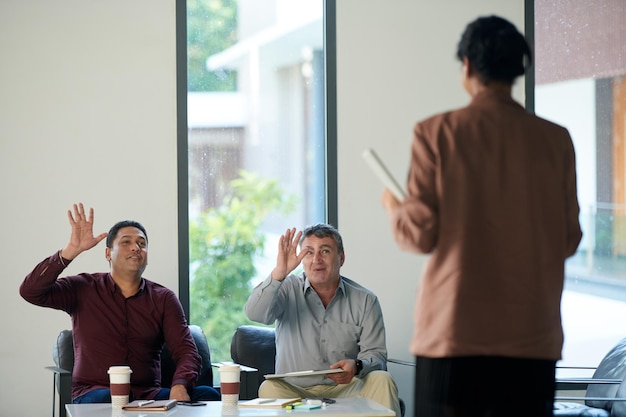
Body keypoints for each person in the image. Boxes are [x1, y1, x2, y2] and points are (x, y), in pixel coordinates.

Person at [382, 15, 583, 417]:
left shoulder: (436, 132)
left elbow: (418, 236)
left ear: (468, 67)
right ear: (517, 70)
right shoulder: (555, 140)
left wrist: (394, 206)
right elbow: (568, 240)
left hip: (454, 335)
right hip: (532, 336)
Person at [20, 203, 220, 404]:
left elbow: (187, 351)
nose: (136, 247)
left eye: (142, 243)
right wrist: (70, 251)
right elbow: (30, 291)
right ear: (108, 253)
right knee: (108, 398)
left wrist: (179, 385)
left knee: (207, 395)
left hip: (148, 396)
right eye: (126, 242)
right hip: (96, 393)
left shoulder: (163, 298)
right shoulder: (83, 288)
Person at [244, 224, 401, 416]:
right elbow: (255, 313)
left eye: (325, 251)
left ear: (341, 258)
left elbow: (376, 355)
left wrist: (357, 365)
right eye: (309, 253)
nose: (316, 260)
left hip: (347, 389)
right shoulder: (286, 288)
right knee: (269, 388)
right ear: (302, 259)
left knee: (381, 378)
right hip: (294, 391)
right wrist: (279, 273)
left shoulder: (366, 300)